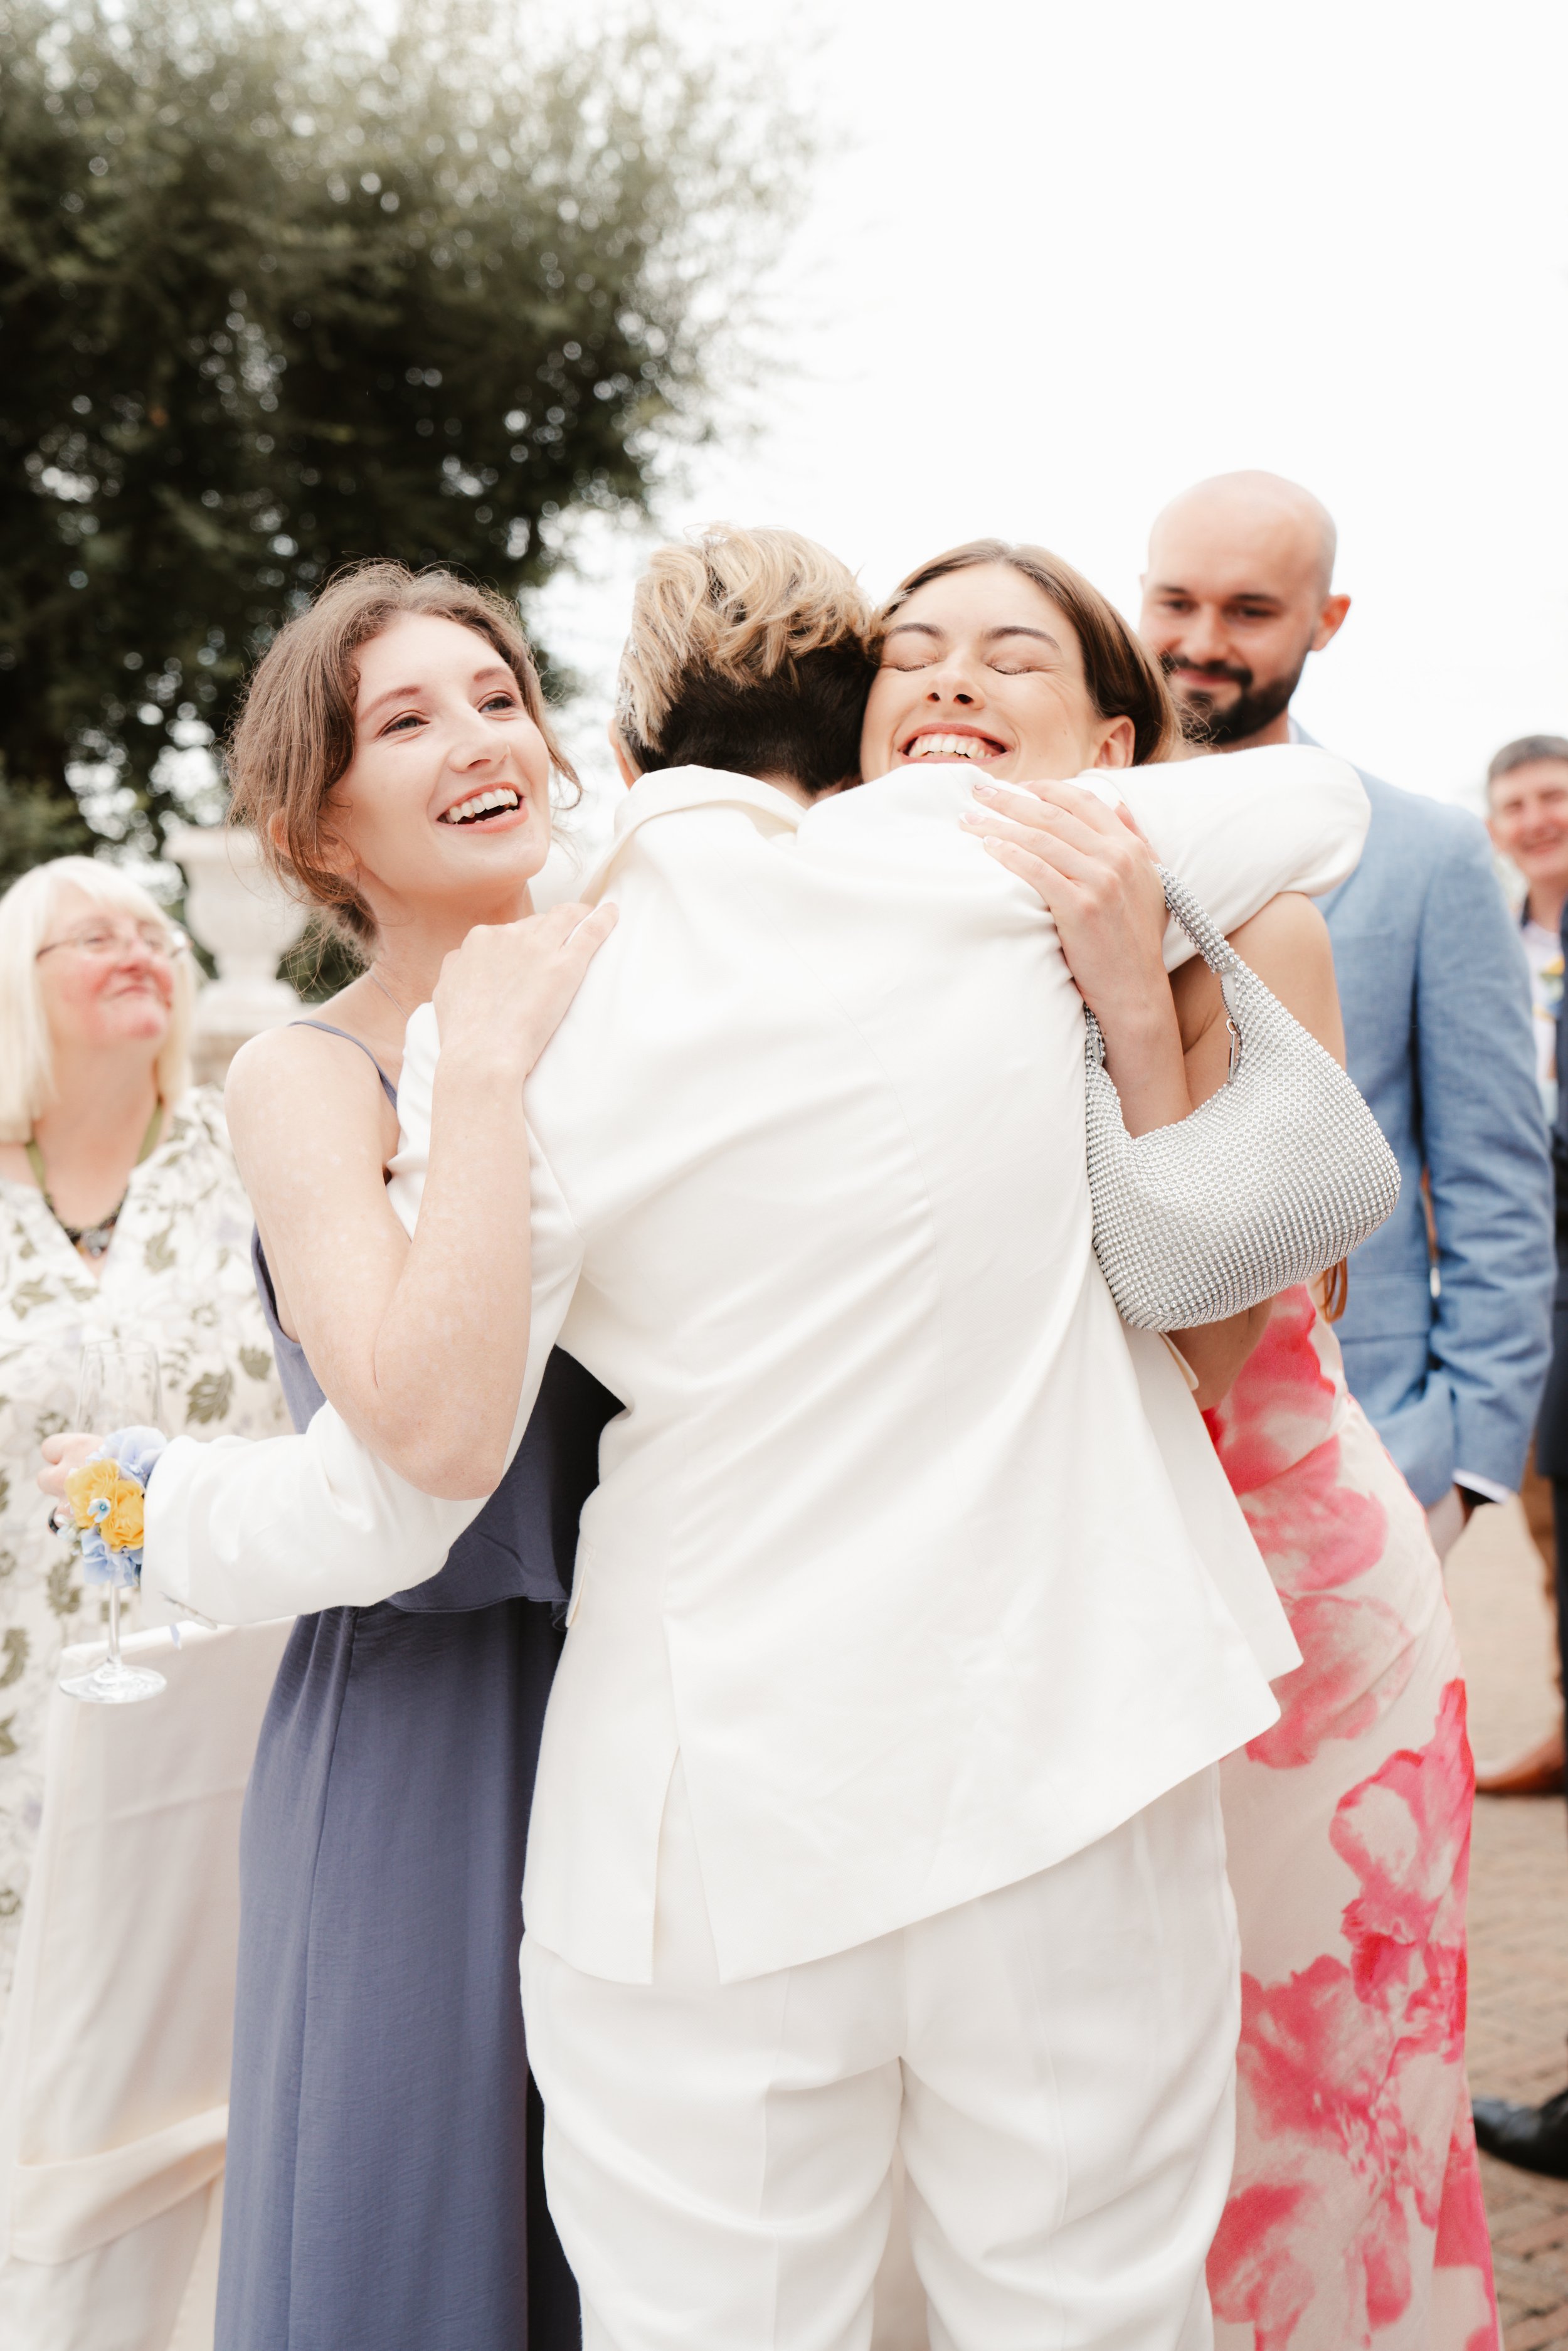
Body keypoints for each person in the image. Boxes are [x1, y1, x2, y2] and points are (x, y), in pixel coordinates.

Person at [122, 524, 1372, 2348]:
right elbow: (1310, 813)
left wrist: (147, 1509)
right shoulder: (961, 863)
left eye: (499, 698)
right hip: (1063, 1747)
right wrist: (1117, 867)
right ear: (859, 727)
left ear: (608, 758)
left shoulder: (528, 1020)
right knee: (1088, 2313)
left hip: (694, 1816)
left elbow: (418, 1460)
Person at [864, 539, 1498, 2350]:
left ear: (1120, 739)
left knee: (1309, 2107)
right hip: (1043, 1611)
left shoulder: (1254, 918)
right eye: (907, 656)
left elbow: (1213, 1322)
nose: (947, 682)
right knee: (1089, 2133)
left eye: (1005, 654)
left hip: (1283, 1601)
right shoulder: (866, 967)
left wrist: (1127, 987)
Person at [157, 566, 617, 2351]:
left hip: (670, 1670)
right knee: (420, 2231)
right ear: (314, 820)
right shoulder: (309, 1072)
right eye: (406, 721)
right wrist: (479, 1068)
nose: (478, 738)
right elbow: (421, 1428)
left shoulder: (651, 990)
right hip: (430, 1719)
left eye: (496, 694)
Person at [1139, 471, 1554, 1562]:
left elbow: (1494, 1179)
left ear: (1328, 620)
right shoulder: (1071, 831)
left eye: (1252, 610)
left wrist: (1460, 1470)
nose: (1201, 640)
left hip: (1359, 1455)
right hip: (1117, 1463)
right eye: (1175, 601)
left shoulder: (1426, 854)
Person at [0, 856, 290, 2017]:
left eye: (156, 934)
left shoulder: (252, 1153)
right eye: (96, 936)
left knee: (208, 2014)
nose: (142, 950)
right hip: (20, 1691)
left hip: (217, 1672)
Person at [1475, 736, 1568, 1795]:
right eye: (1517, 805)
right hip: (1534, 1267)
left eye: (1554, 796)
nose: (1538, 818)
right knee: (1551, 1508)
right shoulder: (1493, 943)